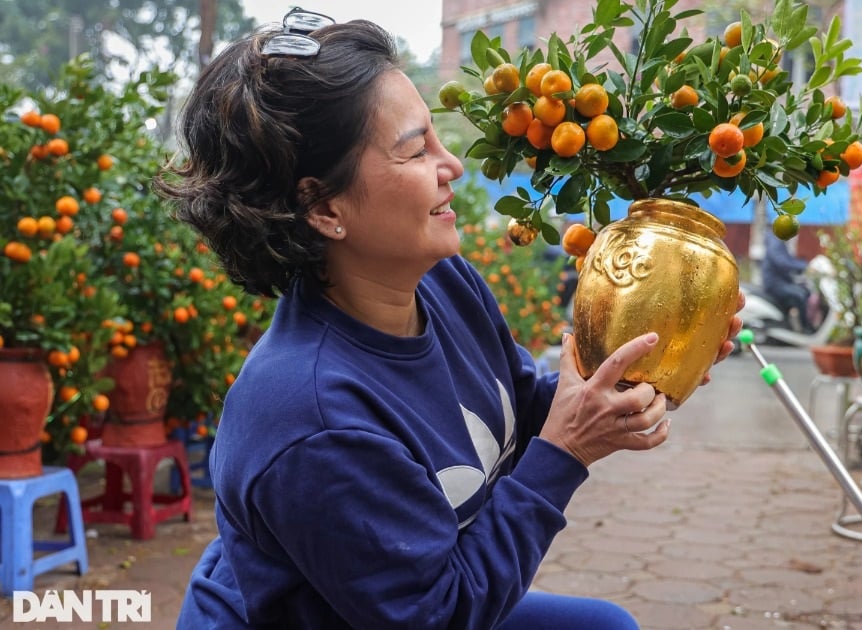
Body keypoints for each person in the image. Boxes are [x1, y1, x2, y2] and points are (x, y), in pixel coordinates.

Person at [154, 10, 741, 629]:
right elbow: (436, 614)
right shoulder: (311, 417)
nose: (451, 164)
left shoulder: (439, 282)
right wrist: (565, 451)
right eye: (415, 150)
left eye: (435, 136)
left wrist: (634, 368)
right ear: (324, 206)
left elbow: (512, 403)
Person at [761, 230, 815, 333]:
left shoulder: (779, 241)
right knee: (800, 295)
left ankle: (791, 324)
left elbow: (788, 261)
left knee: (804, 291)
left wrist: (802, 264)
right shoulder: (775, 242)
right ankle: (805, 328)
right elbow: (782, 262)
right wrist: (804, 266)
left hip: (780, 281)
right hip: (775, 284)